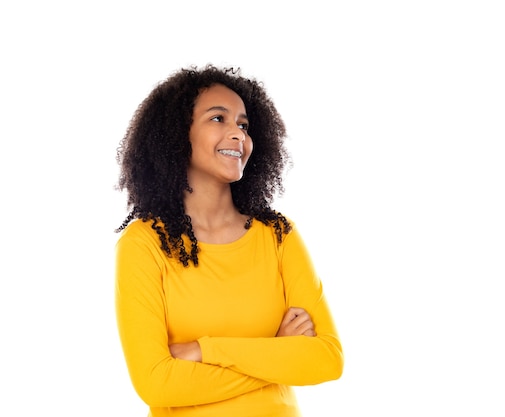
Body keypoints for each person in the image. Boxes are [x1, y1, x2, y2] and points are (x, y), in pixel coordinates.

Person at [114, 64, 343, 417]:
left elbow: (327, 359)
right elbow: (156, 382)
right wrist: (275, 353)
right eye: (218, 119)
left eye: (244, 124)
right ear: (178, 134)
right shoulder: (144, 244)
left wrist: (204, 351)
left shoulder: (279, 236)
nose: (238, 134)